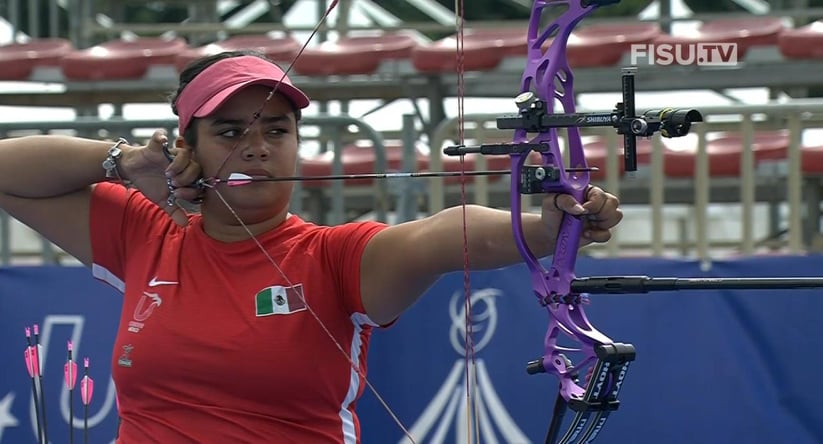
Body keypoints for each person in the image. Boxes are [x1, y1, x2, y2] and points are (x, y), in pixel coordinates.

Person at [0, 50, 623, 443]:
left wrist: (546, 228)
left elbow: (442, 235)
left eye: (277, 131)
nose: (257, 148)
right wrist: (121, 160)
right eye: (230, 132)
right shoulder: (147, 232)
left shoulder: (332, 257)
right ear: (186, 149)